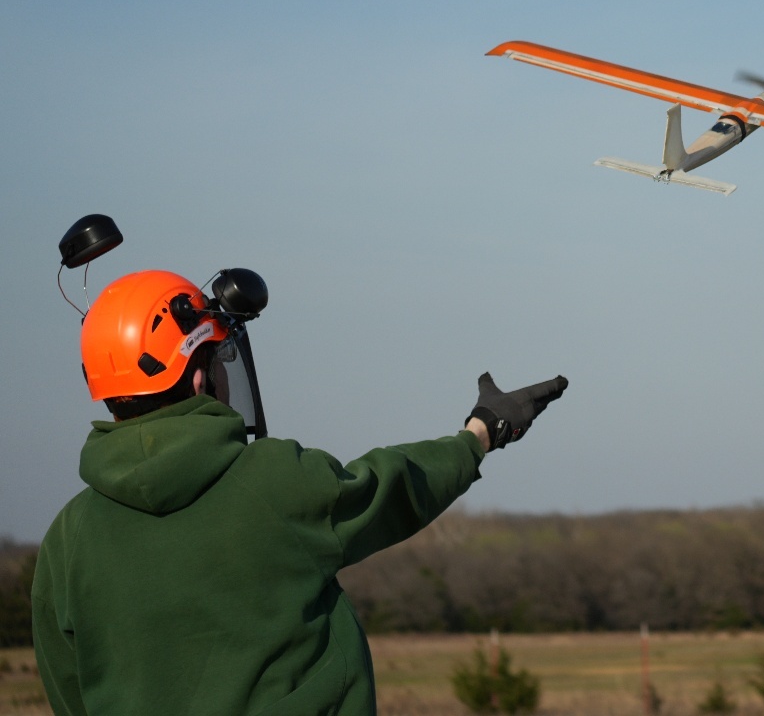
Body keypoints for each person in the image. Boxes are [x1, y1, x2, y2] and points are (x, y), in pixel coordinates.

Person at [31, 268, 567, 715]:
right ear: (196, 377)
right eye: (217, 359)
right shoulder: (272, 480)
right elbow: (392, 486)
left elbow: (69, 693)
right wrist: (480, 434)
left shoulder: (66, 541)